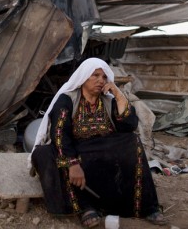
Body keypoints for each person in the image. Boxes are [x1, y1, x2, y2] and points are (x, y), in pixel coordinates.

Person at [29, 57, 166, 227]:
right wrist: (72, 164)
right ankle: (84, 207)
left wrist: (118, 94)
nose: (100, 80)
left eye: (104, 77)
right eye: (95, 75)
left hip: (103, 149)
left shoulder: (108, 100)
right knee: (43, 154)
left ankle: (147, 207)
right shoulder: (67, 100)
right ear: (84, 77)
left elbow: (129, 126)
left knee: (132, 141)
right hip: (76, 150)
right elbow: (59, 133)